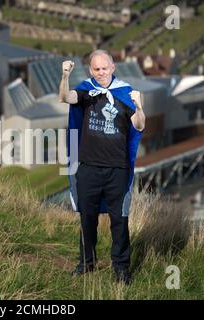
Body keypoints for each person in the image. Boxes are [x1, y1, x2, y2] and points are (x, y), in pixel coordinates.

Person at [58, 50, 145, 285]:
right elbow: (66, 98)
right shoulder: (87, 90)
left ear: (113, 67)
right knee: (87, 219)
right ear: (91, 71)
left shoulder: (127, 93)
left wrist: (138, 106)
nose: (101, 73)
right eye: (96, 69)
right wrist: (65, 76)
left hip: (117, 169)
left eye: (104, 68)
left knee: (120, 220)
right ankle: (86, 263)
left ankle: (121, 268)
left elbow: (139, 125)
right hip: (88, 167)